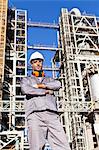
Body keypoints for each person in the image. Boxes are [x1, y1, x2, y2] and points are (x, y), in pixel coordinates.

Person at [20, 51, 70, 150]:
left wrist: (42, 86)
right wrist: (45, 91)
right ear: (31, 64)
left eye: (40, 61)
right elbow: (26, 89)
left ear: (42, 63)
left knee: (63, 145)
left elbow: (58, 84)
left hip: (52, 115)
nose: (38, 64)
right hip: (35, 115)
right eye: (35, 62)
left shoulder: (49, 79)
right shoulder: (26, 80)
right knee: (36, 146)